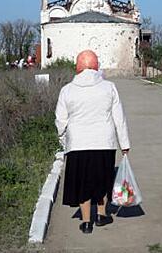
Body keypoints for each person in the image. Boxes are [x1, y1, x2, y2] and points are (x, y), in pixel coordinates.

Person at [55, 50, 130, 234]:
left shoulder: (67, 90)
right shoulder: (109, 87)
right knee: (102, 179)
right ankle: (102, 216)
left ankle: (87, 222)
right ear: (96, 66)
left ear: (77, 67)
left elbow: (60, 119)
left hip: (77, 144)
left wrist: (65, 140)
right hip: (104, 142)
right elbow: (118, 118)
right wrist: (124, 143)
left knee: (82, 182)